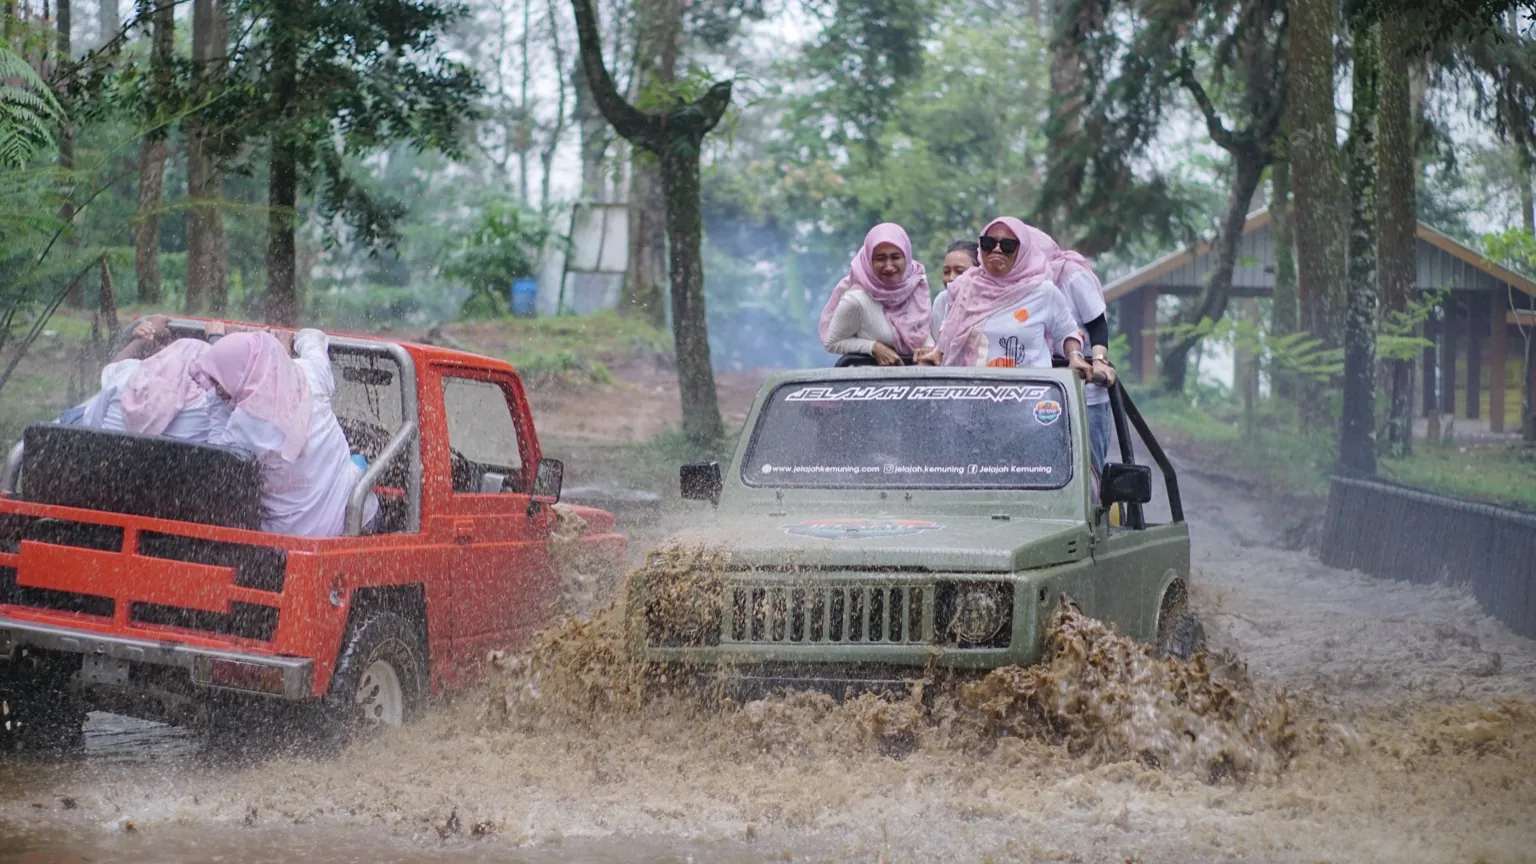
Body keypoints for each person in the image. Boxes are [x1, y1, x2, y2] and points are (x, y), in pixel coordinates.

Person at [193, 327, 377, 537]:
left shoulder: (245, 424)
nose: (217, 389)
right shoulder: (310, 374)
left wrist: (218, 402)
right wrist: (293, 340)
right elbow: (314, 341)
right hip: (351, 523)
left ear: (242, 373)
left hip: (290, 537)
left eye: (219, 381)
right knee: (364, 484)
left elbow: (219, 460)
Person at [918, 217, 1091, 380]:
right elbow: (949, 331)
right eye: (989, 243)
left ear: (1023, 251)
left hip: (1027, 398)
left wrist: (1075, 356)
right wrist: (936, 352)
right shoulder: (964, 288)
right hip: (970, 396)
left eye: (1007, 245)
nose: (996, 249)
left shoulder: (1043, 291)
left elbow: (1068, 331)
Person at [1022, 224, 1117, 473]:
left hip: (1084, 387)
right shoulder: (1023, 283)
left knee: (1088, 468)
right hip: (1044, 391)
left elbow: (1097, 324)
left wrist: (1099, 361)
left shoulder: (1071, 276)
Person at [819, 223, 933, 366]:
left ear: (907, 257)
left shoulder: (917, 287)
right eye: (880, 258)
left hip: (920, 385)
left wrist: (928, 350)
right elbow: (832, 343)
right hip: (871, 385)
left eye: (896, 257)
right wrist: (873, 347)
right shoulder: (856, 300)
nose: (889, 266)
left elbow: (926, 332)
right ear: (868, 261)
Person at [929, 240, 980, 342]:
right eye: (946, 272)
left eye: (960, 271)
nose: (951, 278)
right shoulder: (943, 300)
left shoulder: (992, 303)